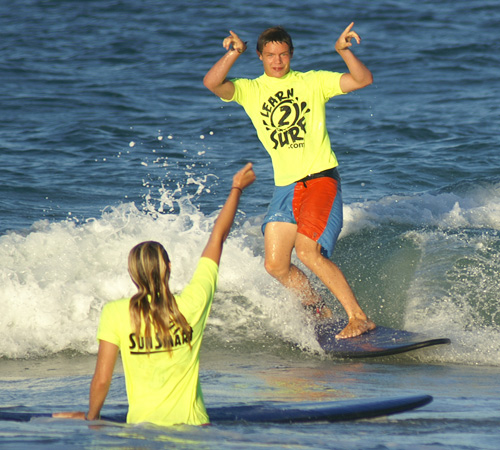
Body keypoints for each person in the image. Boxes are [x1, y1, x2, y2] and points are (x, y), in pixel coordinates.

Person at [203, 23, 375, 339]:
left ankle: (359, 317)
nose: (278, 61)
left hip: (319, 179)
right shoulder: (250, 90)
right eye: (270, 55)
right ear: (260, 56)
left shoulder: (313, 82)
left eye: (283, 54)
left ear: (291, 54)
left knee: (308, 252)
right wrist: (233, 54)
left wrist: (343, 51)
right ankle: (320, 311)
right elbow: (212, 82)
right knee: (276, 264)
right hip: (286, 186)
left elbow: (363, 79)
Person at [53, 163, 256, 426]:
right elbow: (218, 236)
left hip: (142, 432)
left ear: (133, 274)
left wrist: (92, 418)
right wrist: (236, 188)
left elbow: (102, 379)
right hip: (195, 431)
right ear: (168, 267)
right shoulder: (193, 303)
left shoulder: (115, 313)